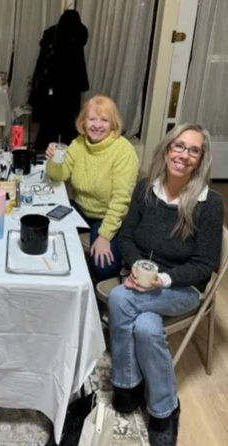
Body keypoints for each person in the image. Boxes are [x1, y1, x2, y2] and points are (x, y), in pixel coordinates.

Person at [109, 124, 224, 446]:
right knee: (146, 327)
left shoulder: (209, 203)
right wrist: (136, 269)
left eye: (193, 150)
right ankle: (165, 410)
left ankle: (126, 386)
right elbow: (127, 236)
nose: (184, 155)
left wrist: (163, 279)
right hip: (140, 278)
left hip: (183, 288)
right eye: (179, 146)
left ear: (201, 160)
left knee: (119, 299)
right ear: (167, 149)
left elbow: (204, 265)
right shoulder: (147, 189)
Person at [45, 95, 139, 280]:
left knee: (104, 267)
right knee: (45, 228)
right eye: (92, 119)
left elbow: (121, 201)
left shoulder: (124, 151)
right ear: (83, 122)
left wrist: (104, 237)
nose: (97, 125)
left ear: (113, 124)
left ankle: (87, 278)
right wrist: (53, 159)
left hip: (107, 215)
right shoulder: (79, 143)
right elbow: (59, 175)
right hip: (81, 208)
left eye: (104, 120)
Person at [29, 9, 89, 151]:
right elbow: (78, 70)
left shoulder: (54, 37)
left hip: (51, 93)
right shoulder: (73, 38)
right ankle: (65, 160)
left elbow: (43, 68)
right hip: (67, 94)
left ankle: (45, 159)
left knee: (49, 130)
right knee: (65, 129)